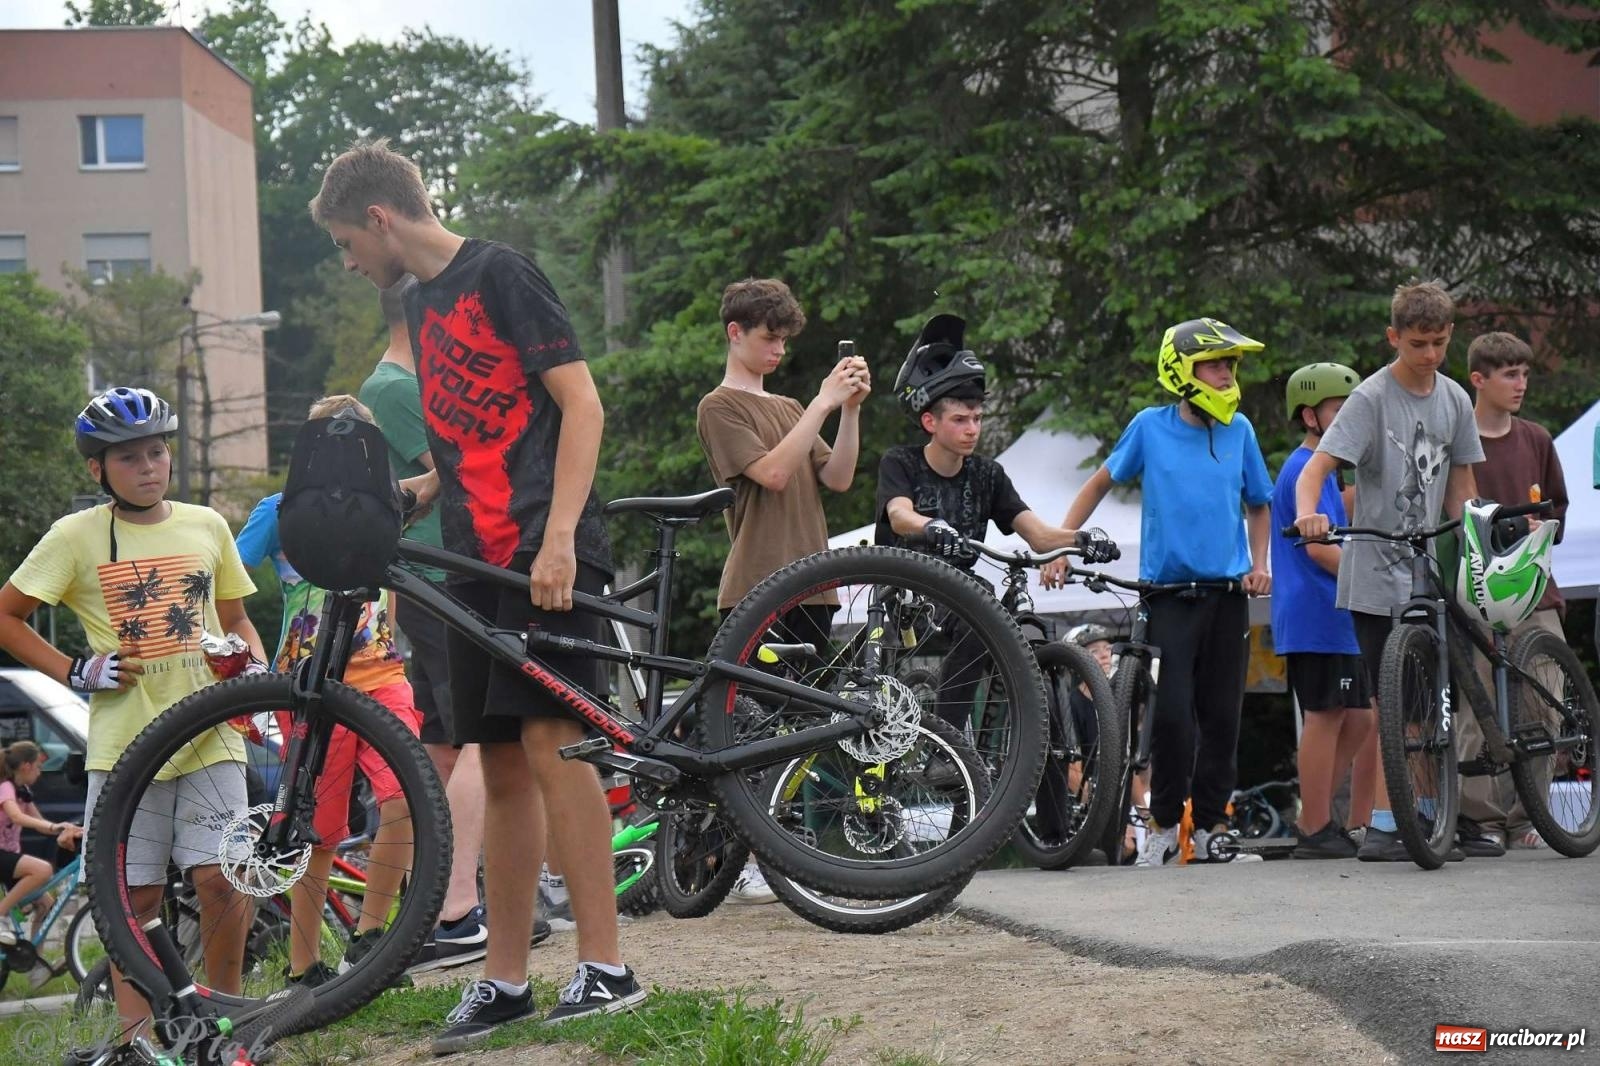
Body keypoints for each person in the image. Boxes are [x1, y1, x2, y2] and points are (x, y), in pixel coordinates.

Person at [311, 138, 642, 1051]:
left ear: (380, 218)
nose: (348, 263)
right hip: (473, 563)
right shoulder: (420, 303)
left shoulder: (501, 273)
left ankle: (606, 969)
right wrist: (418, 491)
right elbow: (471, 438)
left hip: (546, 552)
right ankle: (504, 982)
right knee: (496, 765)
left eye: (346, 243)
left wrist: (564, 536)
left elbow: (582, 405)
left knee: (554, 746)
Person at [0, 386, 261, 1038]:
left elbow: (236, 618)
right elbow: (7, 615)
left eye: (157, 451)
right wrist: (75, 670)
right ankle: (136, 1038)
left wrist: (253, 667)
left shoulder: (207, 524)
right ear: (97, 470)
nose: (149, 466)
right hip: (124, 744)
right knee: (131, 899)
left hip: (211, 733)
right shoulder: (76, 535)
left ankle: (224, 1027)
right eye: (129, 458)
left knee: (221, 882)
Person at [1043, 318, 1273, 867]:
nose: (1227, 375)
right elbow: (1099, 483)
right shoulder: (1150, 425)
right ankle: (1166, 825)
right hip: (1168, 595)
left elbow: (1260, 503)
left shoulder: (1240, 429)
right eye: (1217, 364)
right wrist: (1060, 546)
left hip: (1227, 595)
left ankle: (1215, 827)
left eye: (1230, 365)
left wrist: (1259, 565)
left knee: (1222, 717)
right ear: (1184, 370)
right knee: (1171, 717)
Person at [235, 395, 426, 985]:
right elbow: (226, 574)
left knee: (407, 797)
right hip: (310, 681)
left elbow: (437, 478)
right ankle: (303, 964)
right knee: (319, 829)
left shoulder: (384, 504)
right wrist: (245, 658)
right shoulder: (280, 509)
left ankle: (370, 937)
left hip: (382, 671)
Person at [1291, 280, 1484, 862]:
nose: (1430, 355)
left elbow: (1463, 488)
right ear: (1394, 337)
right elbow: (1315, 470)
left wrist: (1478, 546)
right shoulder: (1370, 398)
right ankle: (1381, 827)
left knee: (1432, 707)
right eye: (1419, 344)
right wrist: (1308, 515)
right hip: (1376, 575)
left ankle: (1425, 820)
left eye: (1440, 343)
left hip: (1429, 572)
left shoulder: (1454, 398)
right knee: (1390, 706)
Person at [695, 276, 869, 905]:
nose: (778, 352)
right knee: (754, 728)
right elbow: (770, 473)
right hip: (756, 589)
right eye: (769, 339)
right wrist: (822, 403)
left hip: (813, 589)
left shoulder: (793, 408)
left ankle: (789, 849)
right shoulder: (721, 407)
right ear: (734, 332)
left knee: (805, 727)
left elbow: (840, 477)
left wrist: (846, 409)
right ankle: (741, 855)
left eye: (784, 342)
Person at [358, 274, 494, 956]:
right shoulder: (394, 389)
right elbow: (459, 464)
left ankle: (433, 903)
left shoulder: (397, 385)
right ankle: (456, 909)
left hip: (436, 577)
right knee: (485, 736)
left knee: (442, 746)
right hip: (441, 578)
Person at [876, 314, 1081, 732]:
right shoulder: (901, 462)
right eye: (960, 420)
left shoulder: (988, 474)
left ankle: (1023, 744)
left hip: (965, 592)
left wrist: (1083, 539)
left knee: (1021, 629)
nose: (973, 429)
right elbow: (898, 515)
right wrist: (930, 526)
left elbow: (1039, 535)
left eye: (977, 419)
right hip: (908, 587)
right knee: (979, 607)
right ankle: (945, 740)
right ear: (930, 422)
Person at [1459, 331, 1569, 853]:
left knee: (1545, 701)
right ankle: (1482, 817)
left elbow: (1559, 511)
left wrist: (1540, 529)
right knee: (1475, 707)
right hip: (1477, 589)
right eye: (1509, 374)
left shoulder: (1538, 439)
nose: (1521, 383)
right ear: (1478, 379)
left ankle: (1535, 813)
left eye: (1525, 373)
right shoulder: (1459, 443)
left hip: (1537, 592)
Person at [1270, 363, 1376, 860]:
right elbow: (1319, 549)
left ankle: (1314, 815)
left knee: (1359, 719)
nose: (1347, 421)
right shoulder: (1301, 470)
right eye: (1339, 411)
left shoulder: (1327, 470)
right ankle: (1314, 826)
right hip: (1315, 611)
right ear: (1310, 416)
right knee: (1326, 715)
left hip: (1334, 615)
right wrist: (1373, 581)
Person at [0, 740, 83, 985]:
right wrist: (53, 826)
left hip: (7, 856)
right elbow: (16, 816)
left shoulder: (23, 792)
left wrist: (71, 828)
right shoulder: (6, 788)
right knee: (43, 870)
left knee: (46, 903)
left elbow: (43, 823)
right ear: (25, 766)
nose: (40, 772)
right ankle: (1, 914)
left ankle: (36, 966)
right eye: (38, 766)